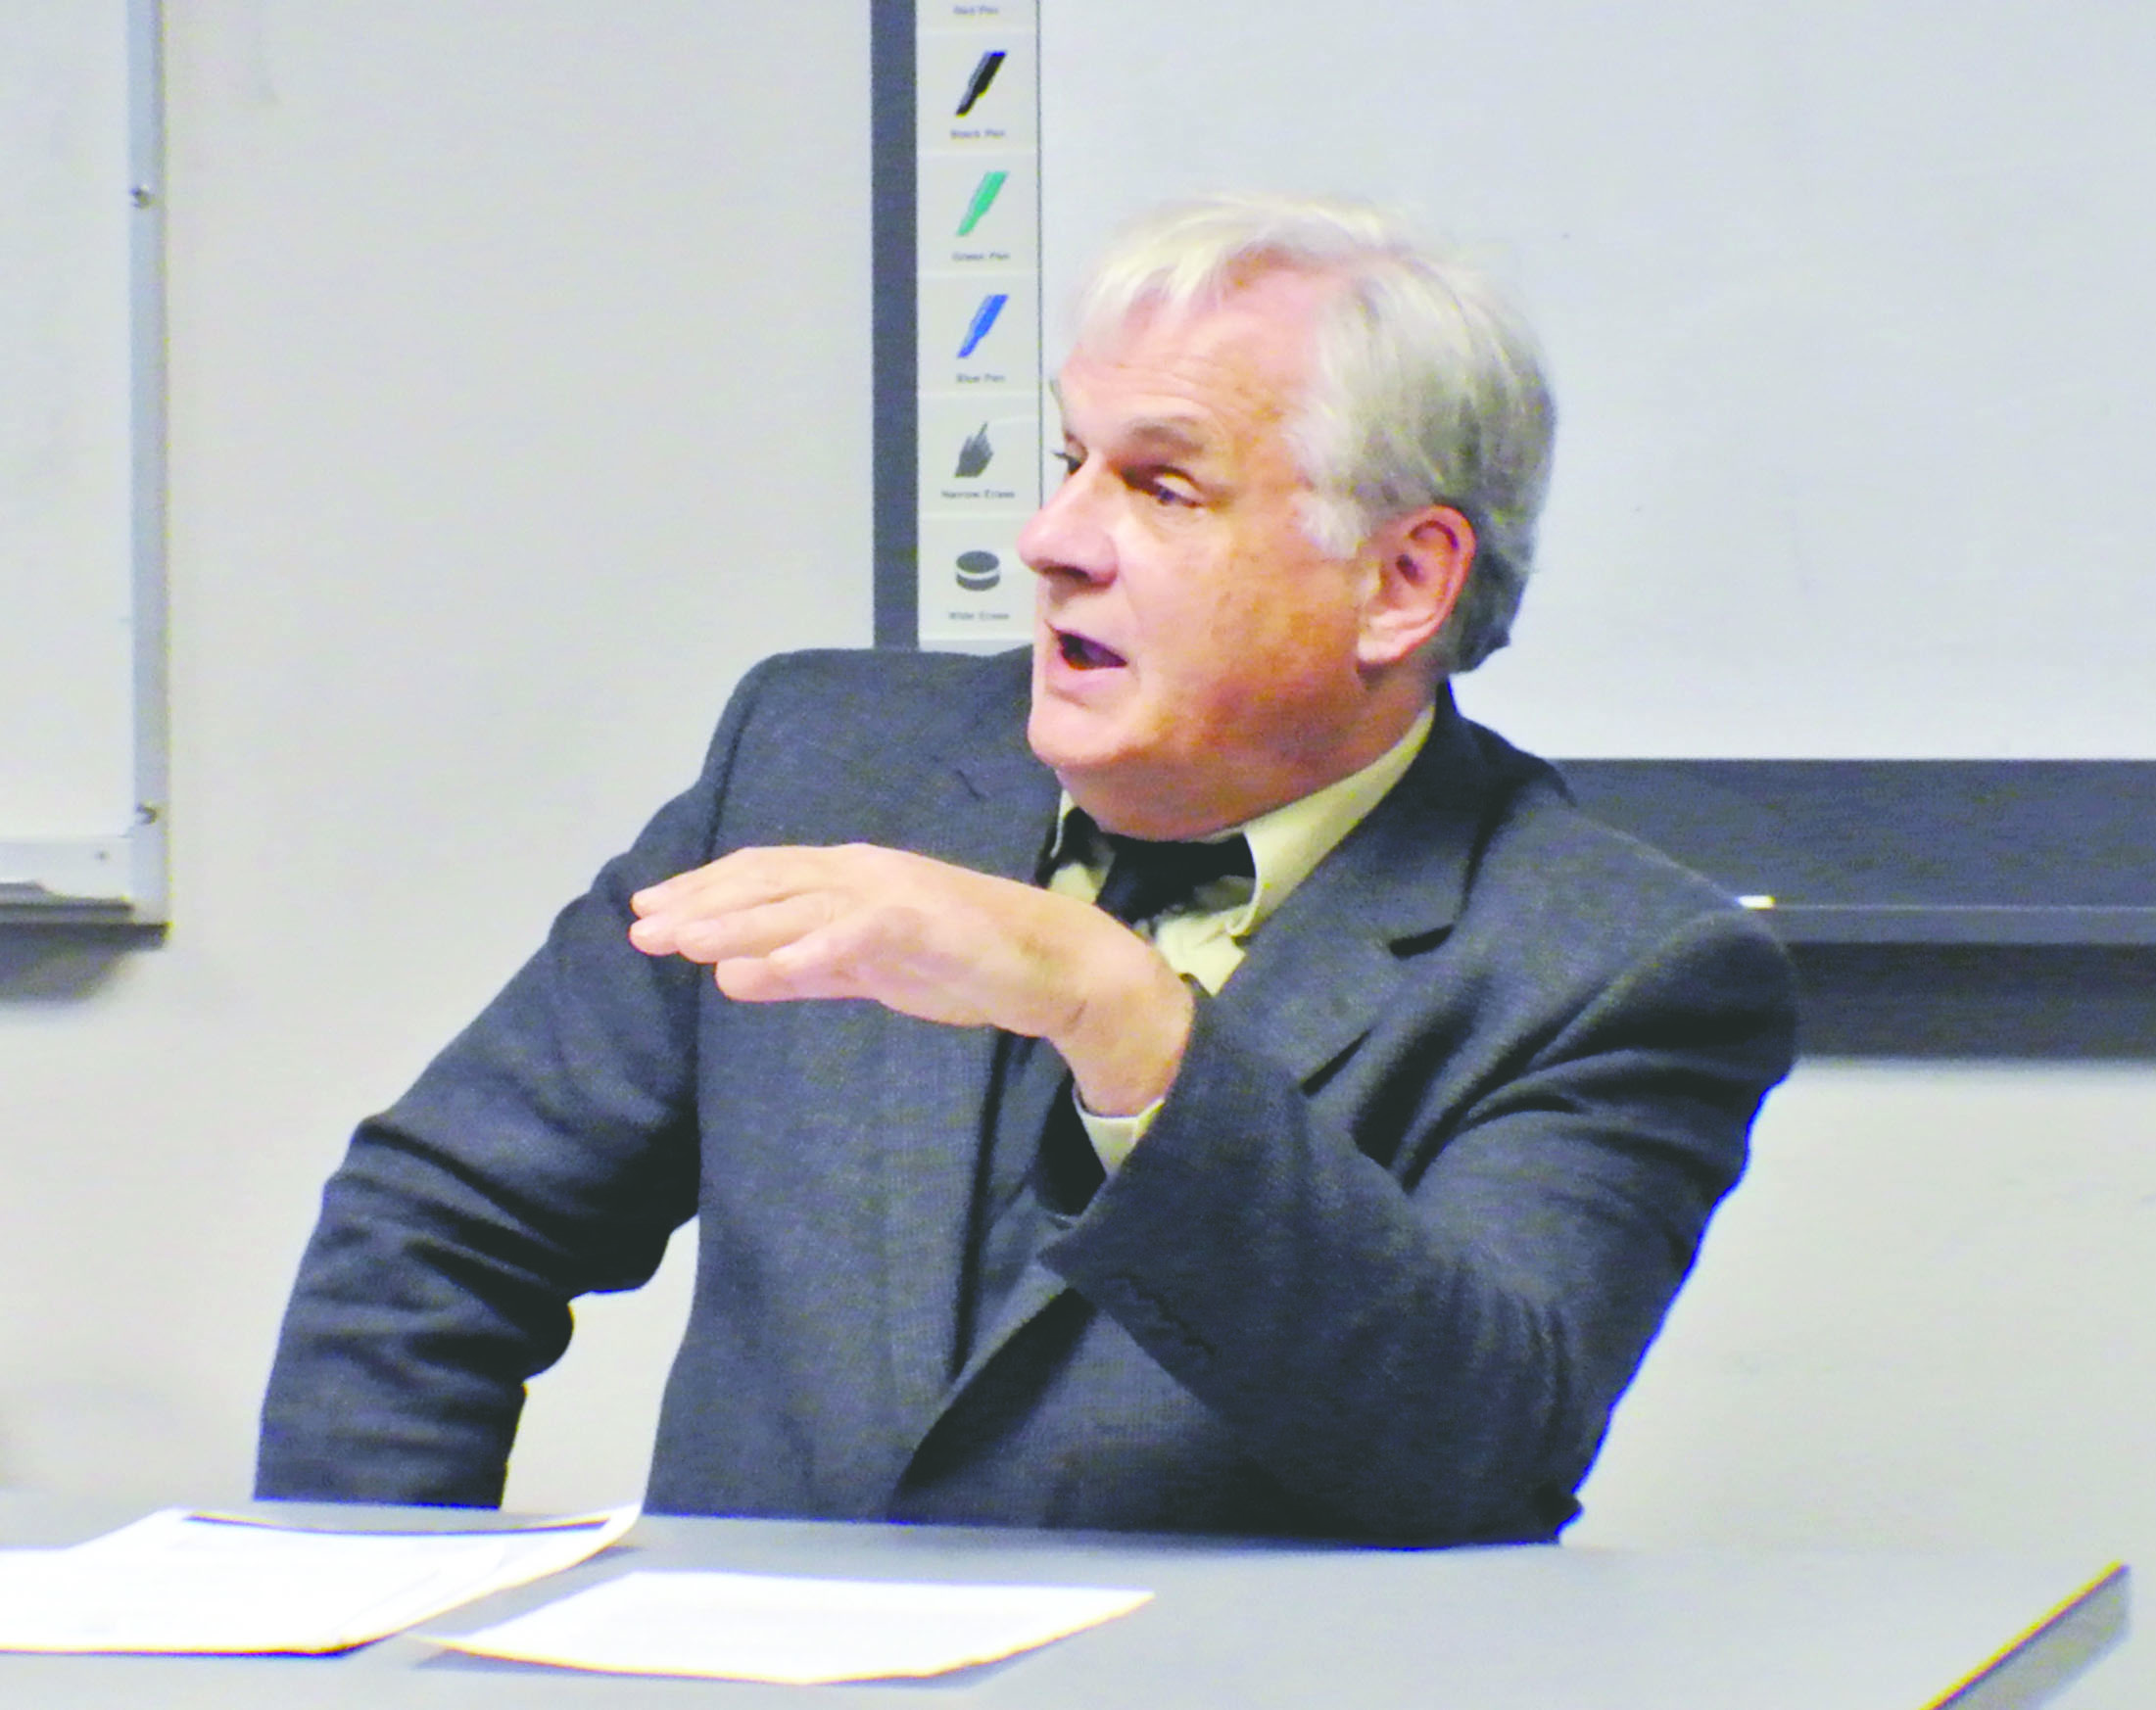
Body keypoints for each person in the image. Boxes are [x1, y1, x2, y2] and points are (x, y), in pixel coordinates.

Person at [257, 193, 1797, 1545]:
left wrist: (1121, 1018)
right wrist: (369, 1618)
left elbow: (1473, 1452)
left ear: (1402, 583)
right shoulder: (816, 761)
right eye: (1070, 461)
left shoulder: (1615, 966)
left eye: (1162, 487)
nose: (1052, 540)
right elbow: (443, 1219)